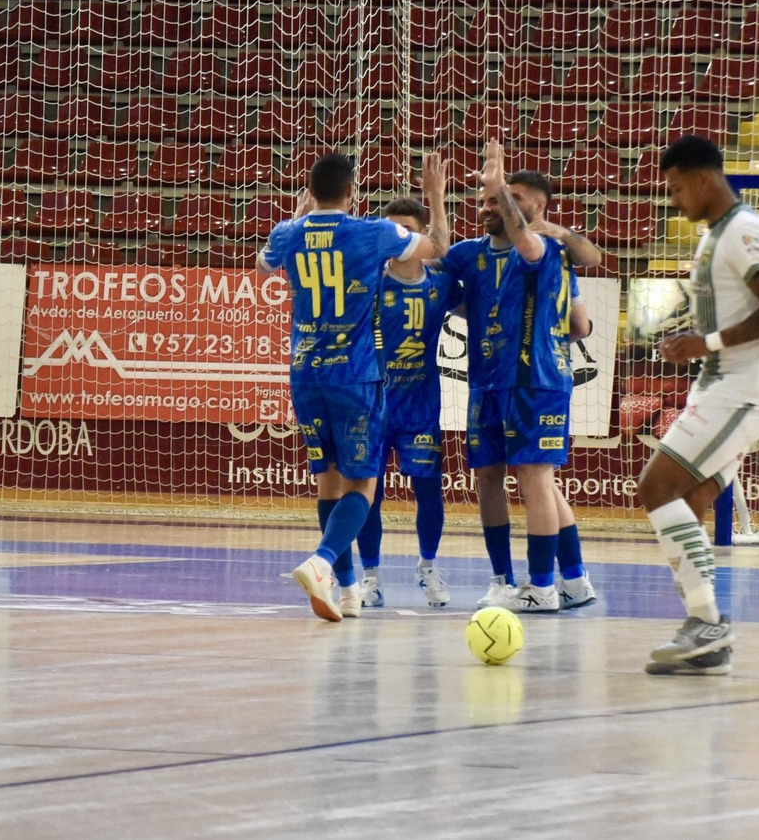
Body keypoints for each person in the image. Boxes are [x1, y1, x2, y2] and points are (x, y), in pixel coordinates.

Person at [258, 152, 447, 622]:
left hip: (304, 372)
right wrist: (437, 199)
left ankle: (346, 592)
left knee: (329, 480)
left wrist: (299, 219)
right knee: (362, 481)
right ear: (352, 193)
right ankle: (322, 562)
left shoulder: (288, 232)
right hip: (355, 373)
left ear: (310, 191)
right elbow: (437, 249)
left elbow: (262, 269)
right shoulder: (372, 231)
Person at [635, 135, 759, 676]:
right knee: (692, 499)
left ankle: (708, 625)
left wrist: (706, 344)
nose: (674, 200)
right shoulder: (716, 235)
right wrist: (694, 338)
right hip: (723, 384)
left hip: (742, 389)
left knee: (655, 488)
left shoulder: (744, 230)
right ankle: (706, 633)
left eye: (677, 188)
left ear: (703, 179)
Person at [439, 141, 602, 613]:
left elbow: (582, 305)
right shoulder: (475, 254)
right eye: (489, 198)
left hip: (534, 380)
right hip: (488, 381)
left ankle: (543, 587)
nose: (493, 205)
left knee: (535, 480)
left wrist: (498, 183)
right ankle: (568, 581)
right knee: (520, 481)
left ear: (536, 204)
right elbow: (579, 326)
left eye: (507, 198)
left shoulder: (546, 246)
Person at [351, 191, 458, 609]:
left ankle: (427, 567)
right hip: (372, 406)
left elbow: (449, 258)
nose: (400, 240)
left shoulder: (441, 285)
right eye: (394, 232)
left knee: (429, 491)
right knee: (367, 493)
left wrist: (438, 200)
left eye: (408, 232)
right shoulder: (368, 283)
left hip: (421, 408)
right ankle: (371, 576)